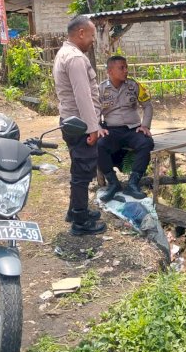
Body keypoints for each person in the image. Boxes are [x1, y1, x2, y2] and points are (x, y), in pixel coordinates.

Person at [53, 15, 107, 236]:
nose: (93, 40)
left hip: (72, 122)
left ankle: (75, 210)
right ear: (81, 33)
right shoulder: (75, 58)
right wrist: (92, 128)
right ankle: (80, 221)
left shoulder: (64, 53)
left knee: (79, 168)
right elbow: (82, 96)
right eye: (92, 35)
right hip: (80, 124)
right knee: (83, 172)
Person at [97, 55, 155, 201]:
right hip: (112, 130)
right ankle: (113, 183)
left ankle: (133, 184)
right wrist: (97, 127)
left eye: (126, 67)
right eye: (121, 68)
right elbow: (93, 111)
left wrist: (145, 126)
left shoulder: (134, 85)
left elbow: (147, 105)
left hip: (133, 129)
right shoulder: (100, 89)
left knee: (146, 143)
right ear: (110, 71)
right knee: (98, 145)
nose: (126, 70)